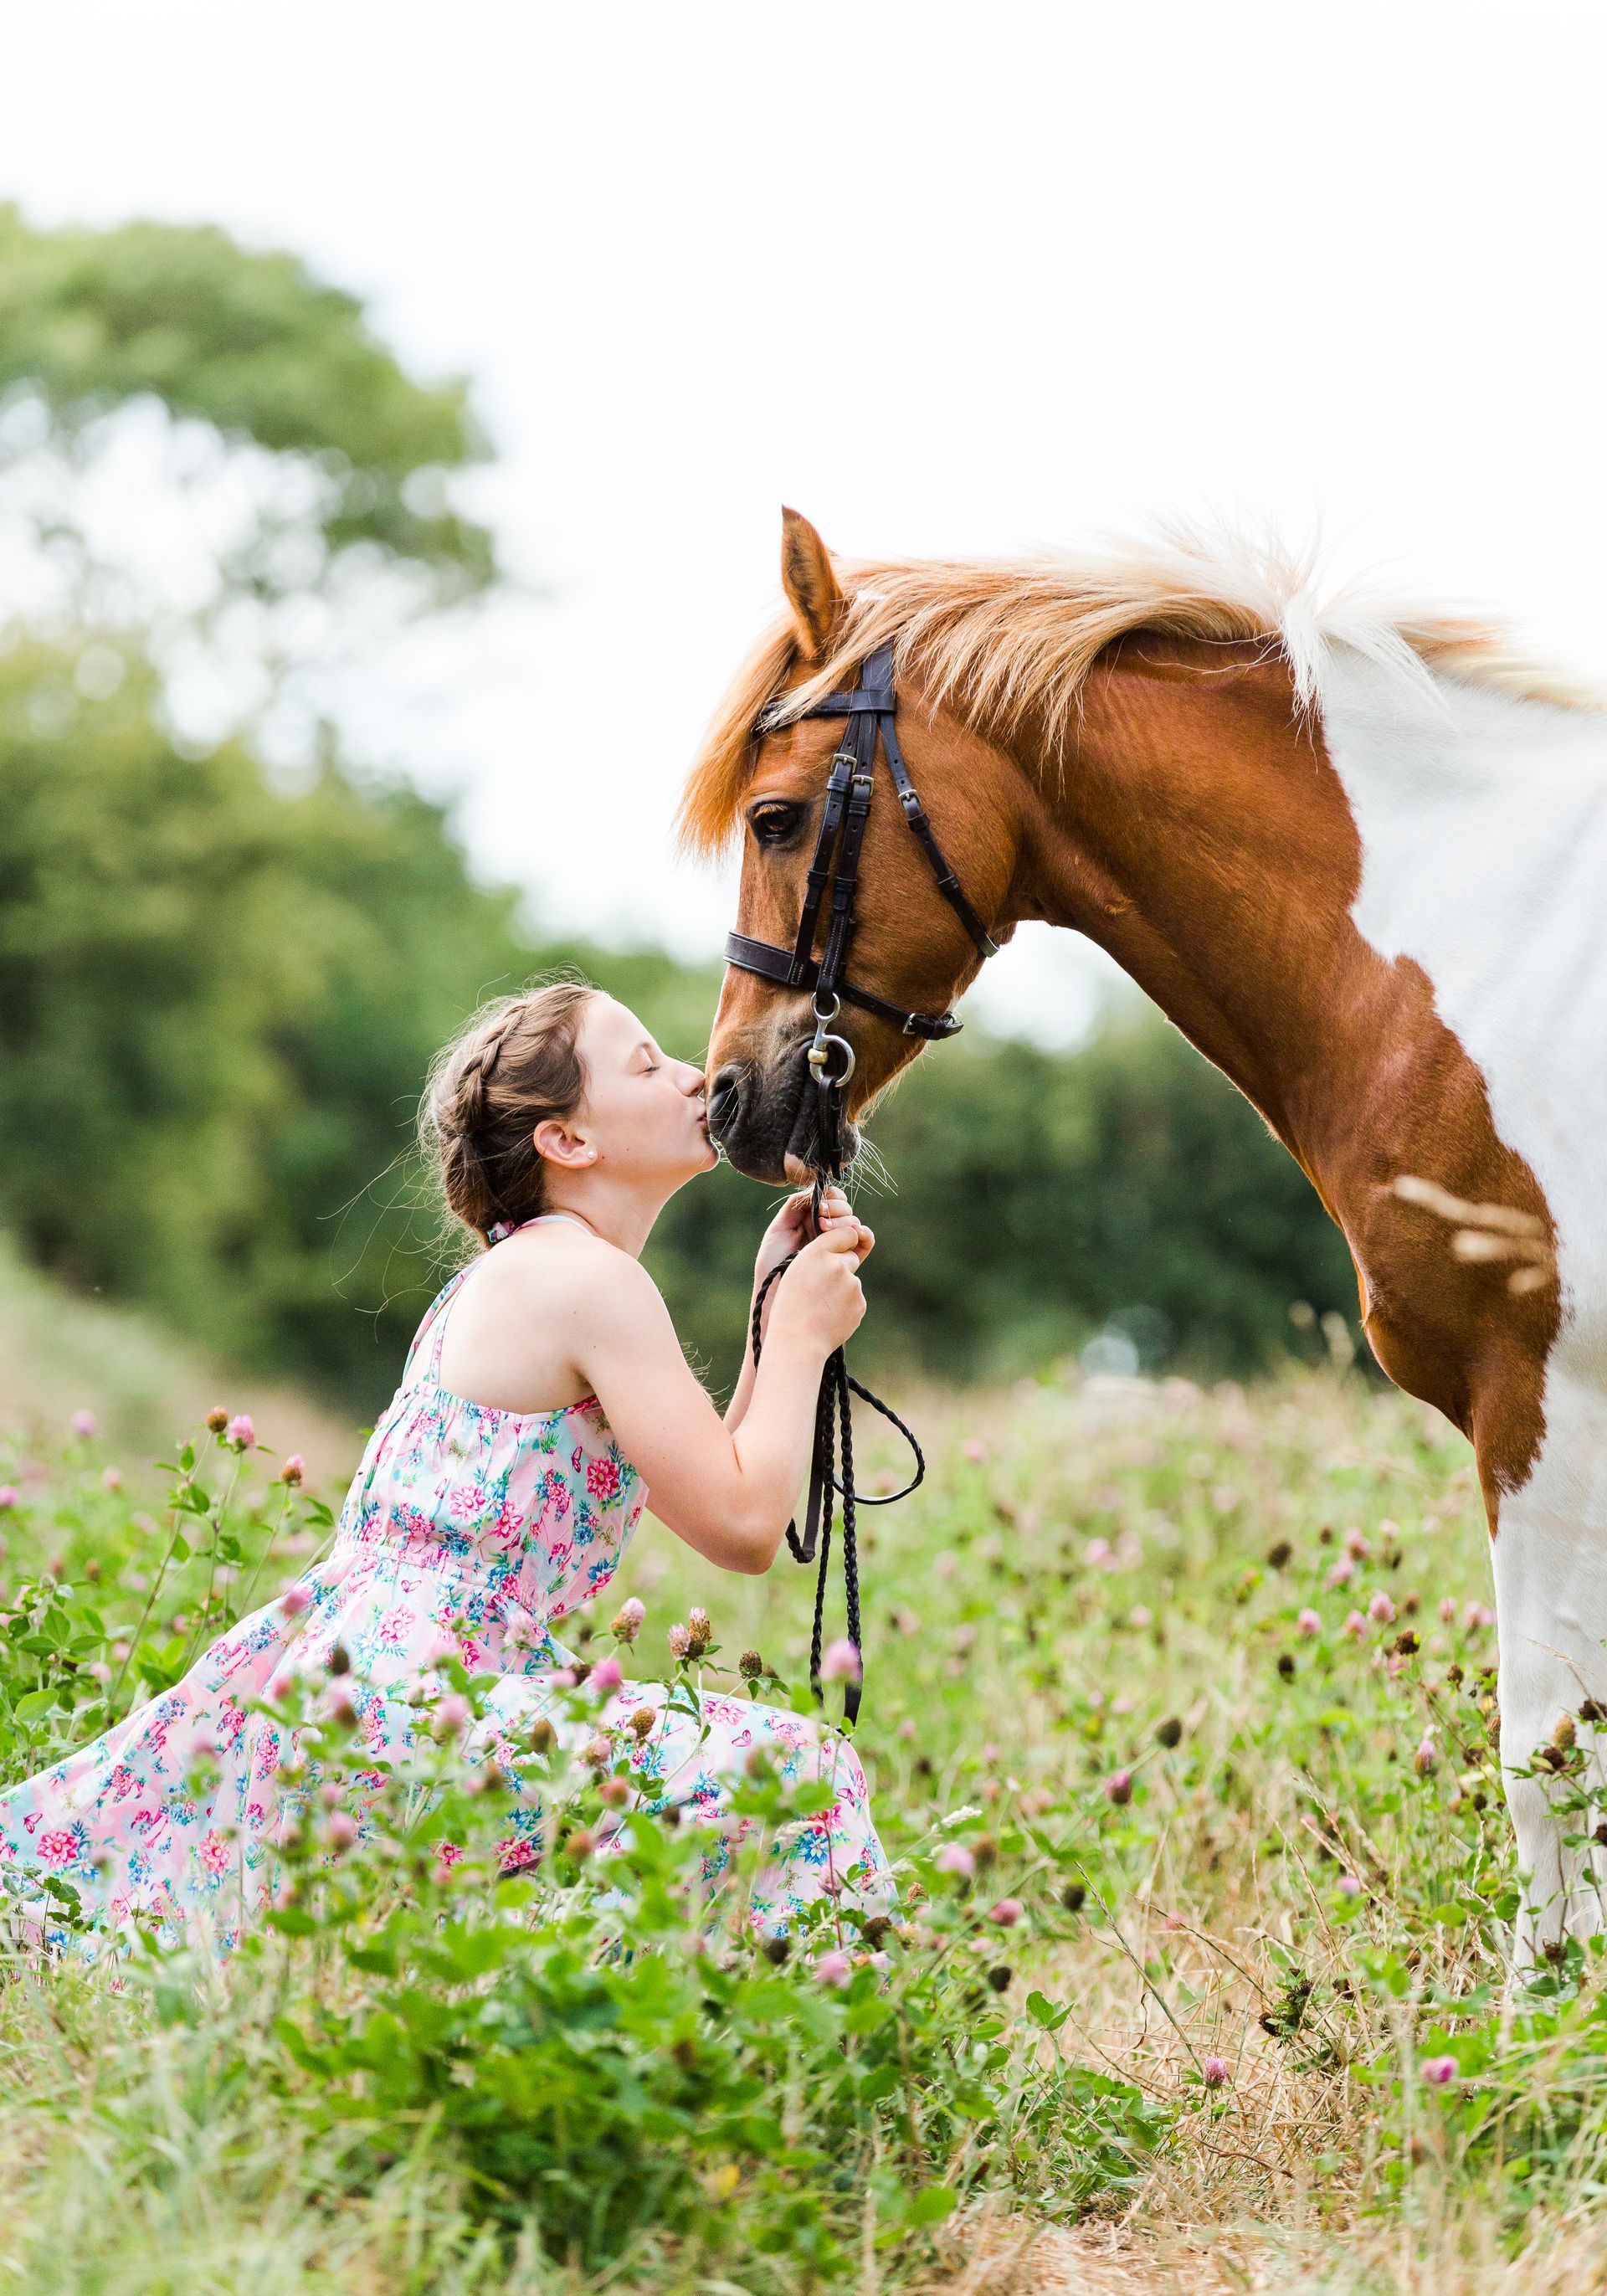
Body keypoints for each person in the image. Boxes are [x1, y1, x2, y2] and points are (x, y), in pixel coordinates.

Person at [0, 982, 891, 1958]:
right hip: (415, 1707)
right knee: (796, 1771)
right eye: (646, 1064)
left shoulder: (532, 1271)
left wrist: (772, 1308)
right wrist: (802, 1338)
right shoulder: (588, 1279)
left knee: (660, 1843)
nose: (694, 1075)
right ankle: (838, 2067)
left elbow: (713, 1479)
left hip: (357, 1703)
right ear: (569, 1142)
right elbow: (747, 1526)